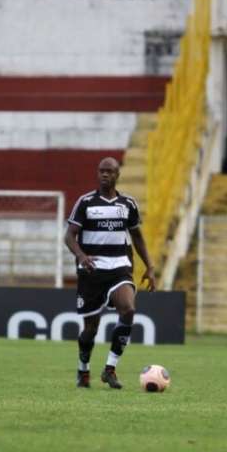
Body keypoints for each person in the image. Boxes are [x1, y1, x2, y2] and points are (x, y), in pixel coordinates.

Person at [65, 157, 156, 389]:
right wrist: (82, 256)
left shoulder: (128, 204)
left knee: (128, 309)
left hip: (119, 267)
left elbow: (137, 237)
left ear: (117, 175)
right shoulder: (85, 202)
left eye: (110, 171)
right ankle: (83, 370)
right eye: (101, 171)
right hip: (92, 271)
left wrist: (150, 267)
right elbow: (69, 236)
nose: (105, 175)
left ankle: (110, 369)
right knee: (90, 330)